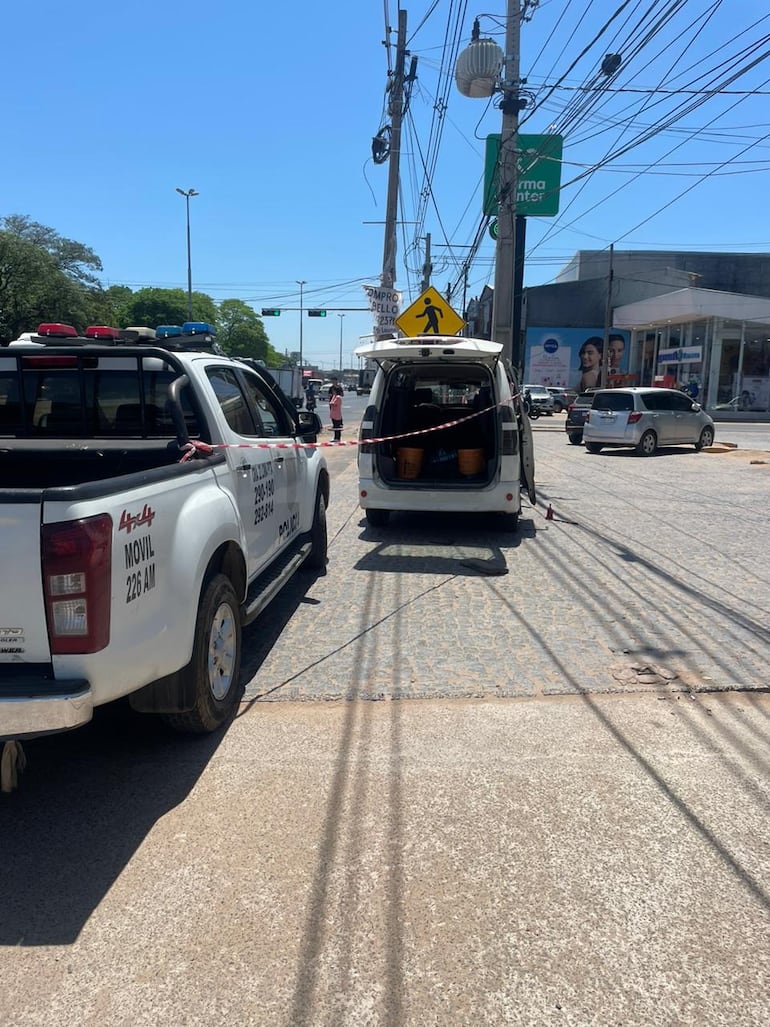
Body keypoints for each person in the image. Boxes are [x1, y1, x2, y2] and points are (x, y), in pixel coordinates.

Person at [328, 376, 344, 442]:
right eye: (332, 381)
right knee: (334, 422)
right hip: (332, 405)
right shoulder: (331, 388)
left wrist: (336, 395)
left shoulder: (339, 388)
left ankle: (337, 437)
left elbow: (342, 394)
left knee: (337, 422)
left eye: (334, 381)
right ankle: (336, 437)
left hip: (336, 404)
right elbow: (329, 395)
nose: (333, 382)